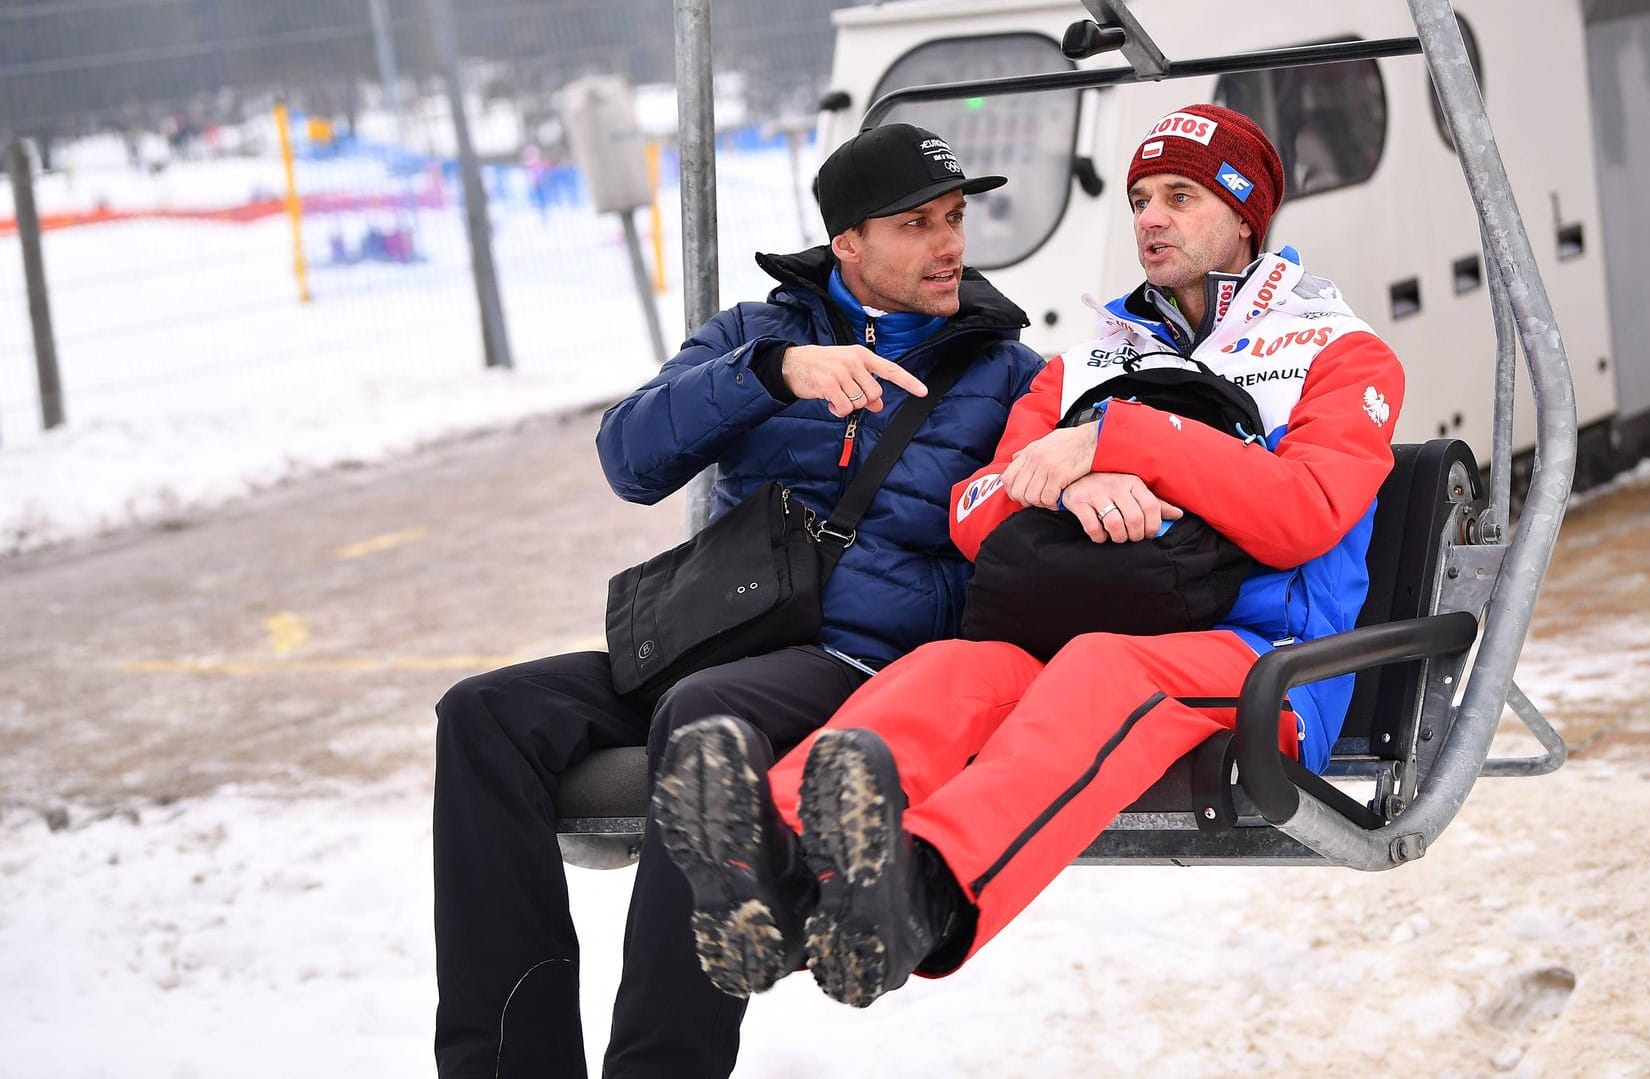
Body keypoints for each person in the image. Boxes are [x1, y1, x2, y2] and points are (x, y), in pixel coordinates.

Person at [651, 103, 1407, 1008]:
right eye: (1137, 198)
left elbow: (1307, 514)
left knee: (1103, 669)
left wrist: (1118, 443)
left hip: (1260, 664)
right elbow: (976, 510)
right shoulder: (1090, 357)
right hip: (1071, 636)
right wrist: (1066, 481)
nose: (1149, 219)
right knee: (950, 670)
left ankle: (922, 888)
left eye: (1179, 196)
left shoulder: (1340, 352)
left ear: (1247, 216)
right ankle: (766, 859)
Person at [431, 123, 1045, 1077]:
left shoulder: (1009, 375)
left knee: (701, 715)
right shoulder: (754, 337)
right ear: (847, 242)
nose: (951, 243)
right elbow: (629, 459)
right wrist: (766, 377)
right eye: (917, 223)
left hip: (861, 668)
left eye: (957, 217)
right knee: (484, 714)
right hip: (718, 637)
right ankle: (509, 1062)